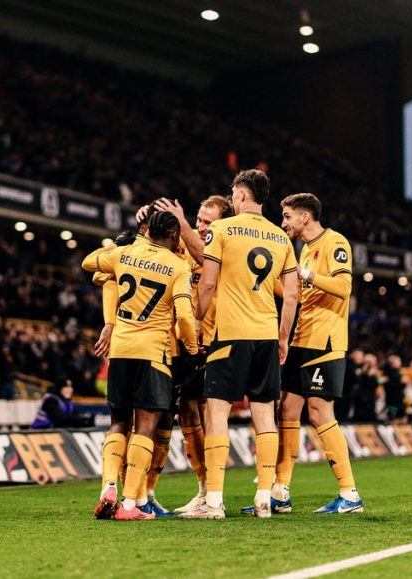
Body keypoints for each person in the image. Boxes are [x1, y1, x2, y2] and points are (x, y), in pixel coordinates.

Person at [179, 169, 299, 520]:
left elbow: (208, 284)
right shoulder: (281, 238)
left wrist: (198, 319)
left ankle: (213, 502)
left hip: (230, 335)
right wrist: (282, 337)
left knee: (216, 412)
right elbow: (291, 295)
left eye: (234, 194)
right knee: (265, 416)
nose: (231, 199)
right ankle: (264, 497)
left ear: (243, 195)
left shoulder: (223, 230)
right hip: (265, 335)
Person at [246, 192, 362, 516]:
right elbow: (296, 290)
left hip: (324, 341)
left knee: (321, 412)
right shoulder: (305, 250)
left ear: (305, 217)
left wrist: (307, 275)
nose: (283, 223)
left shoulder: (335, 243)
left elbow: (343, 287)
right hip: (301, 338)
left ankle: (349, 493)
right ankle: (280, 491)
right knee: (287, 409)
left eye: (287, 217)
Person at [82, 210, 197, 521]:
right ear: (174, 237)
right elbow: (185, 316)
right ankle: (130, 504)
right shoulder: (178, 266)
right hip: (153, 354)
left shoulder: (126, 253)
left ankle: (108, 485)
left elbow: (89, 262)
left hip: (120, 351)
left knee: (118, 424)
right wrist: (191, 344)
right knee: (145, 429)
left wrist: (118, 247)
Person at [153, 194, 235, 514]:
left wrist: (185, 225)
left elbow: (205, 256)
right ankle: (145, 491)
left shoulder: (225, 246)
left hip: (210, 343)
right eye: (199, 220)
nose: (201, 227)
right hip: (175, 343)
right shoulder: (183, 246)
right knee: (169, 416)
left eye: (207, 222)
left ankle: (208, 490)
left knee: (197, 415)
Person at [383, 355, 405, 423]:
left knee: (401, 418)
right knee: (392, 418)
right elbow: (387, 384)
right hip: (392, 400)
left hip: (399, 399)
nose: (400, 363)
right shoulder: (388, 373)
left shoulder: (398, 372)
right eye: (398, 361)